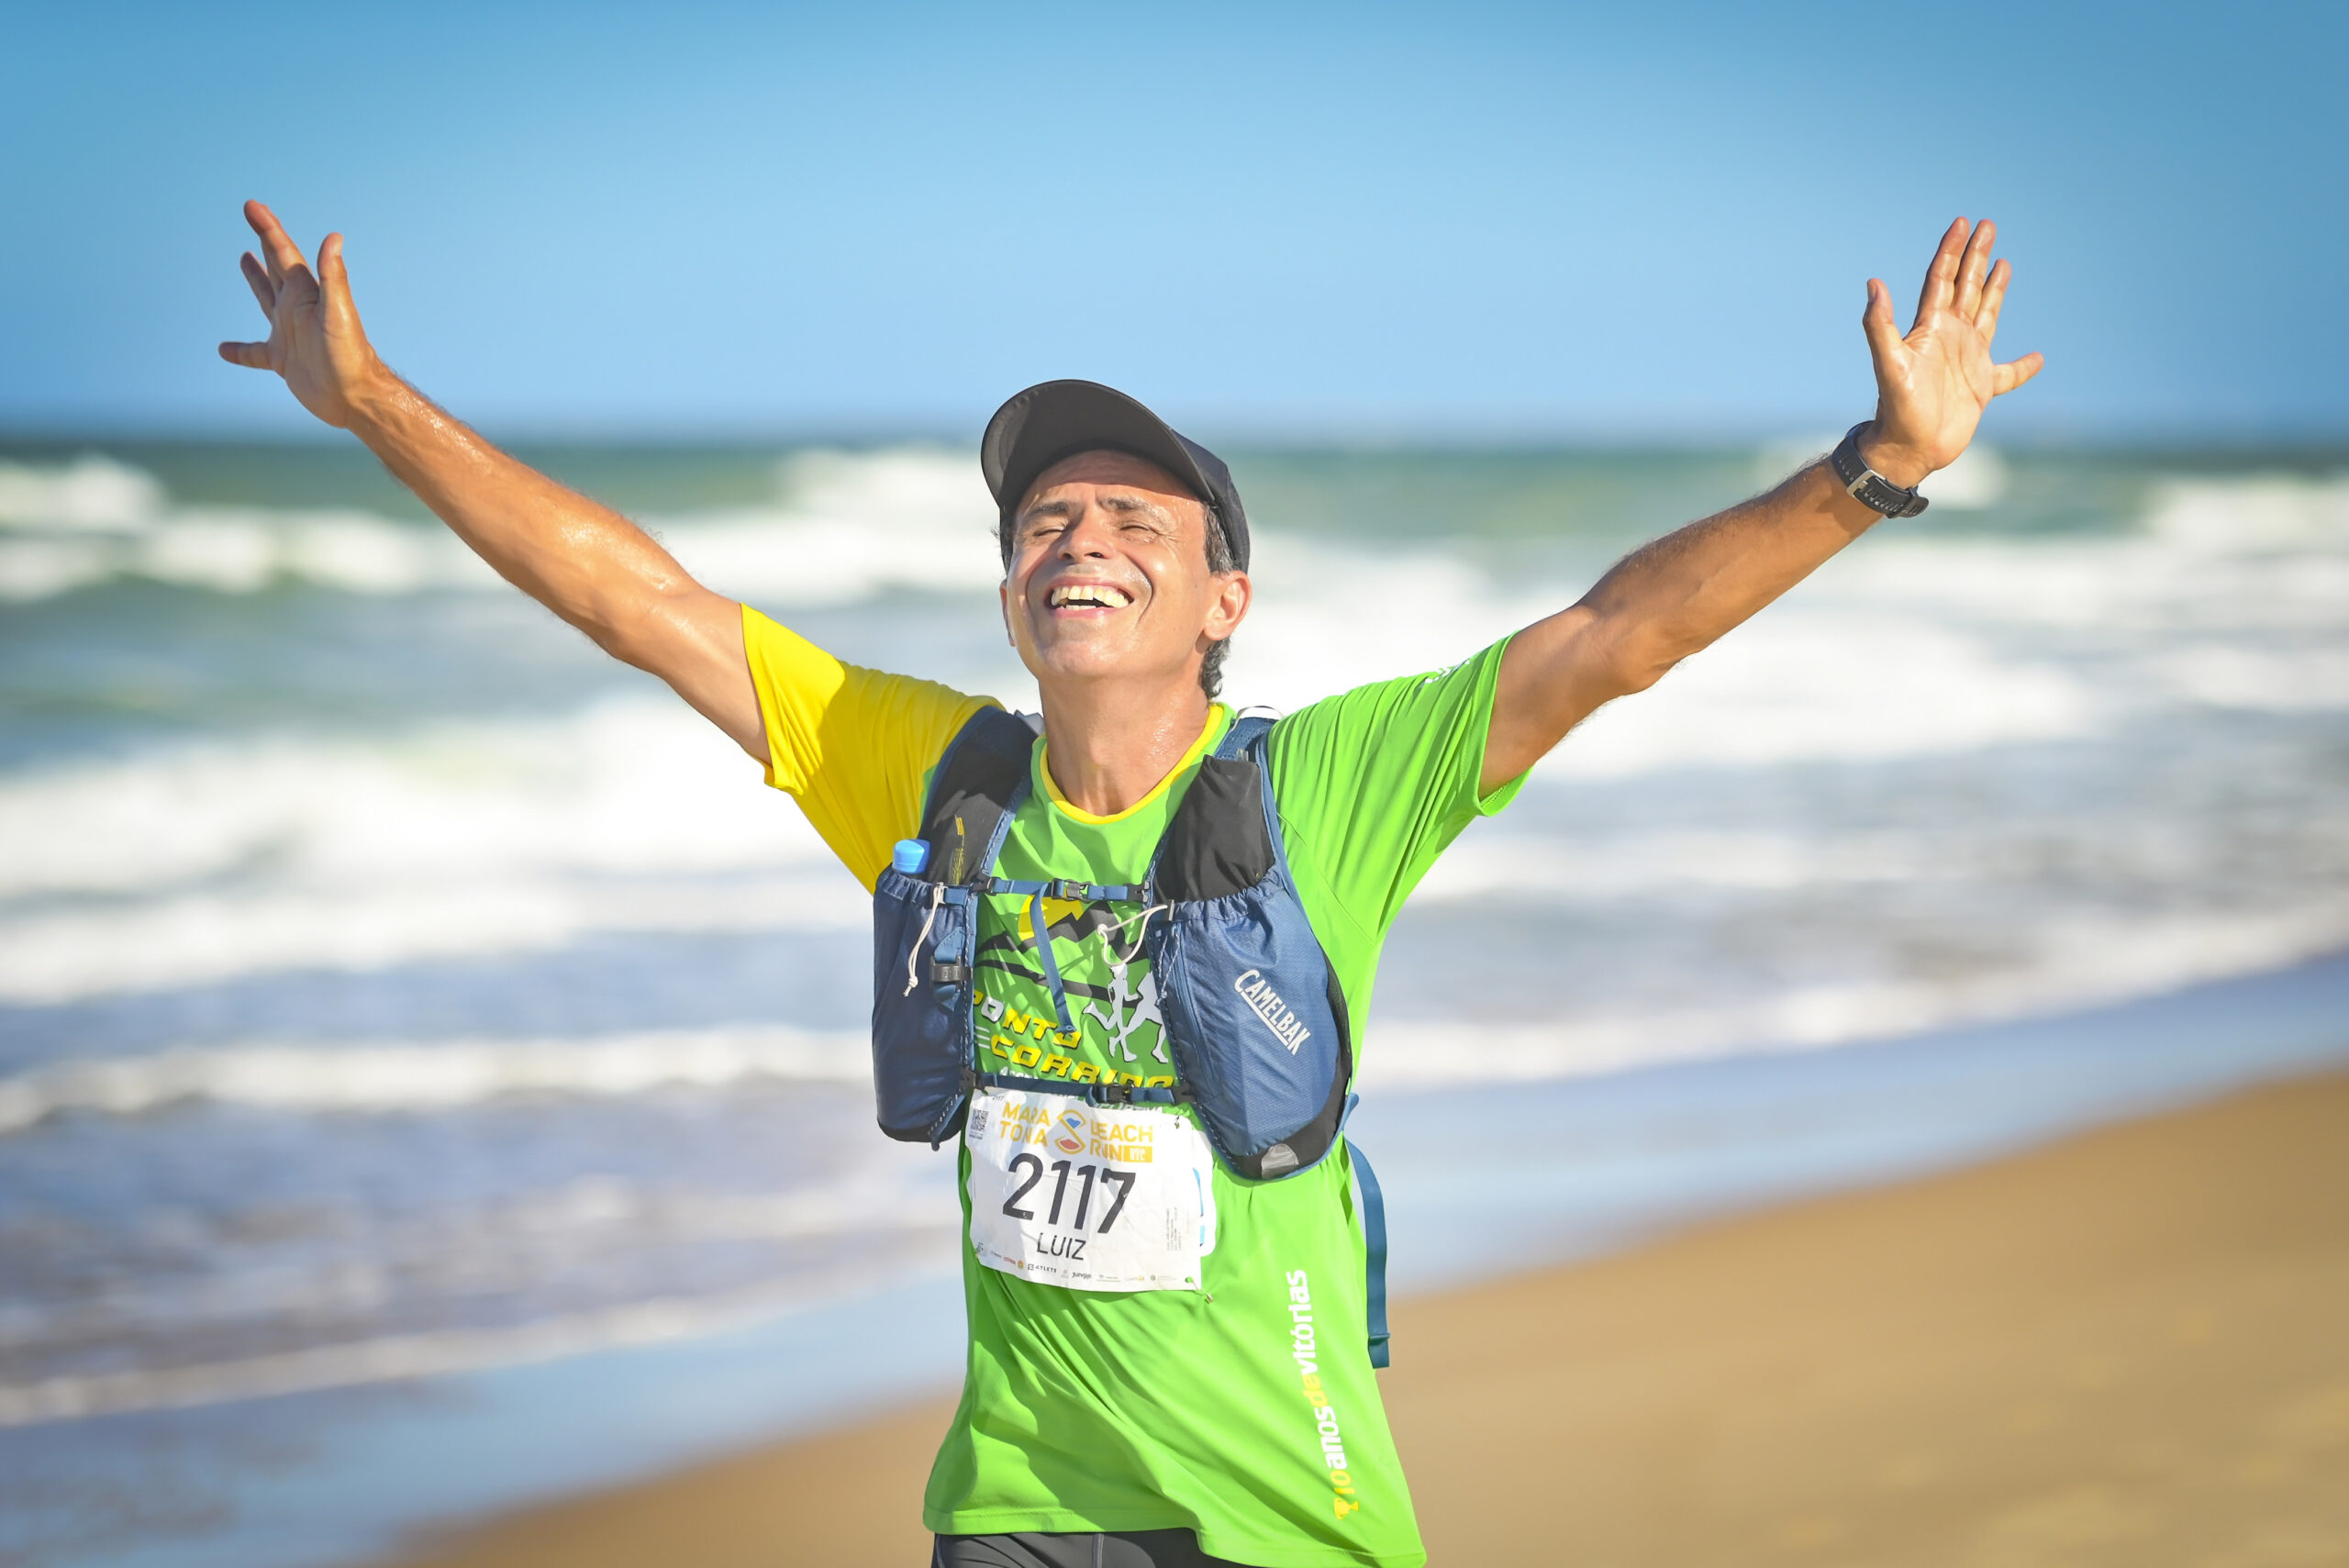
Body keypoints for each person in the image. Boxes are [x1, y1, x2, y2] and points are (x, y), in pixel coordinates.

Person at [219, 199, 2040, 1568]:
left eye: (1131, 521)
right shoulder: (928, 774)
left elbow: (1609, 637)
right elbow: (641, 603)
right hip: (1010, 1505)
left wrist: (1871, 469)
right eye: (1042, 519)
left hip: (1277, 1513)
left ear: (1220, 599)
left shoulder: (1323, 784)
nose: (1072, 537)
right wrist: (370, 400)